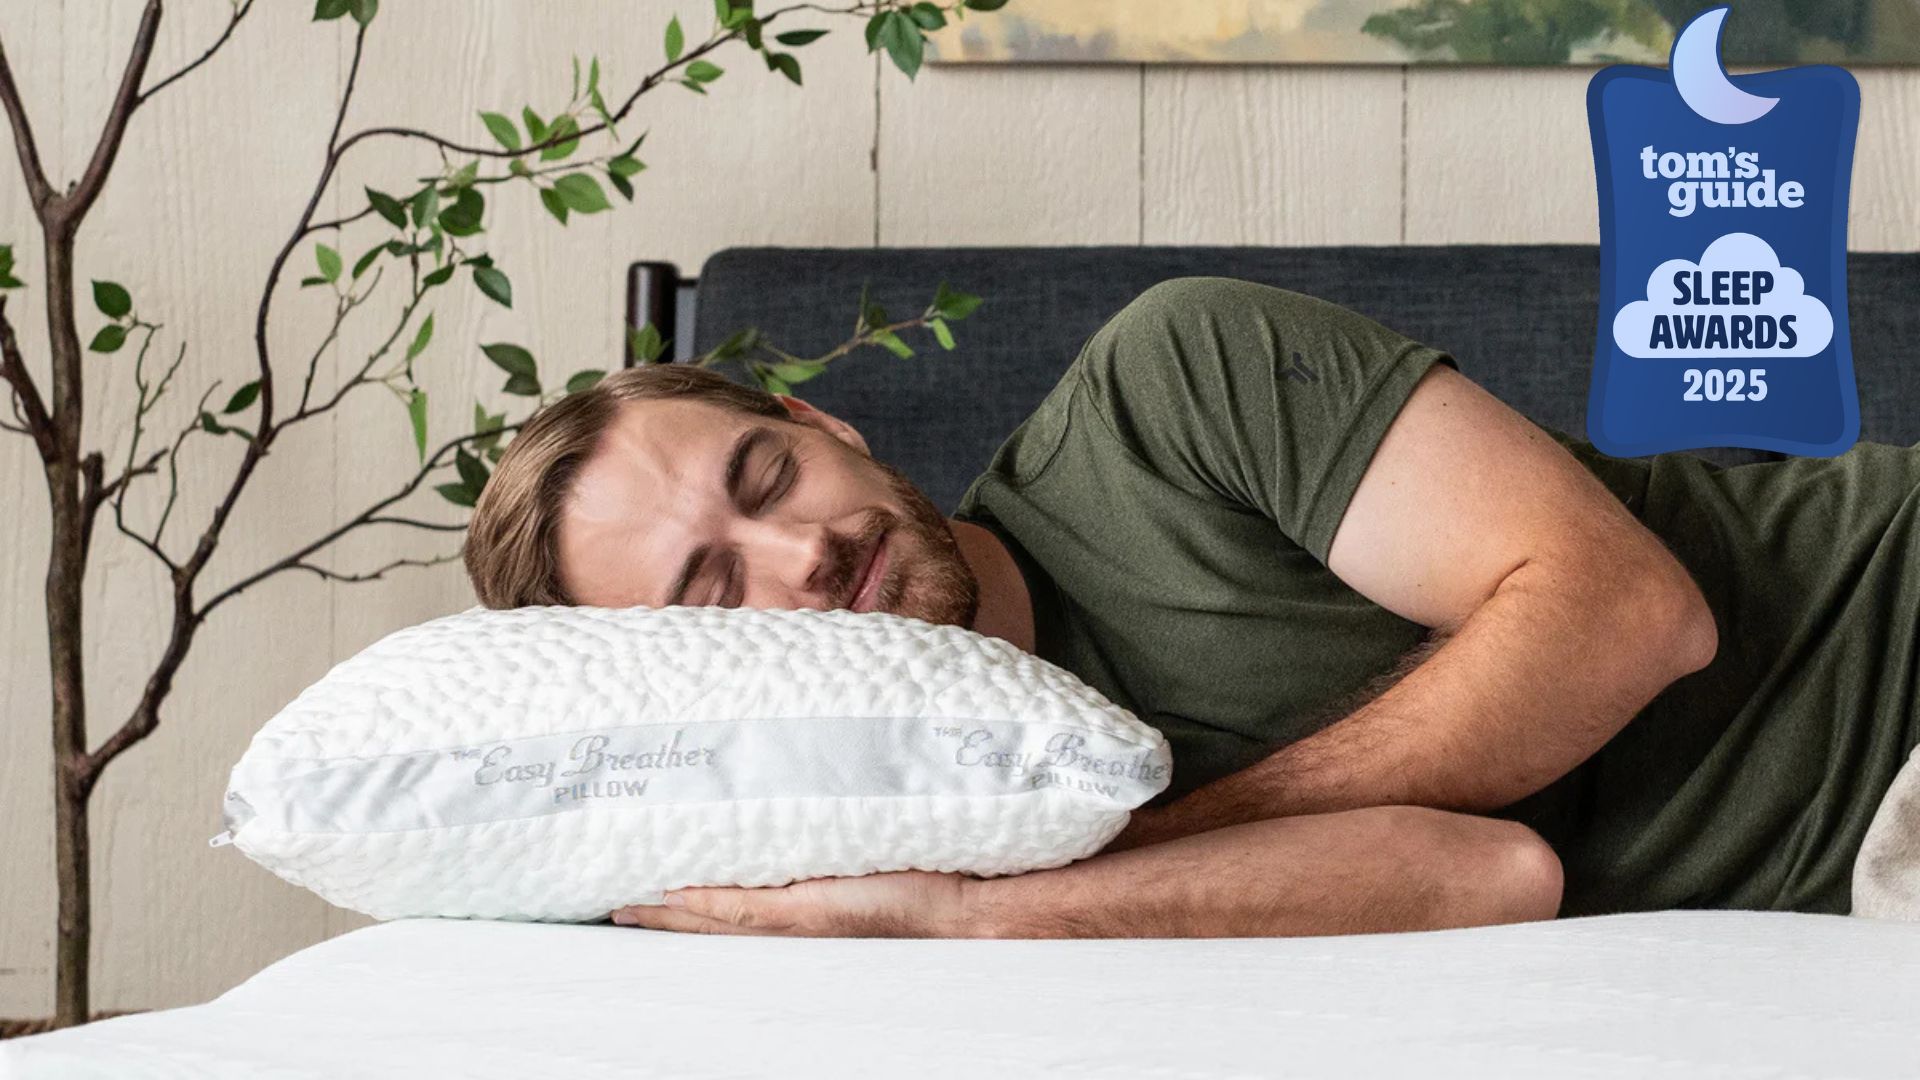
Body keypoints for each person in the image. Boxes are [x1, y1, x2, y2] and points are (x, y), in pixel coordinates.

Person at [463, 276, 1920, 939]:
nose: (799, 557)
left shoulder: (1170, 387)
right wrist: (955, 923)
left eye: (766, 475)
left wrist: (1064, 880)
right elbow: (1492, 876)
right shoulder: (831, 836)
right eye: (716, 590)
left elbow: (1628, 615)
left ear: (820, 419)